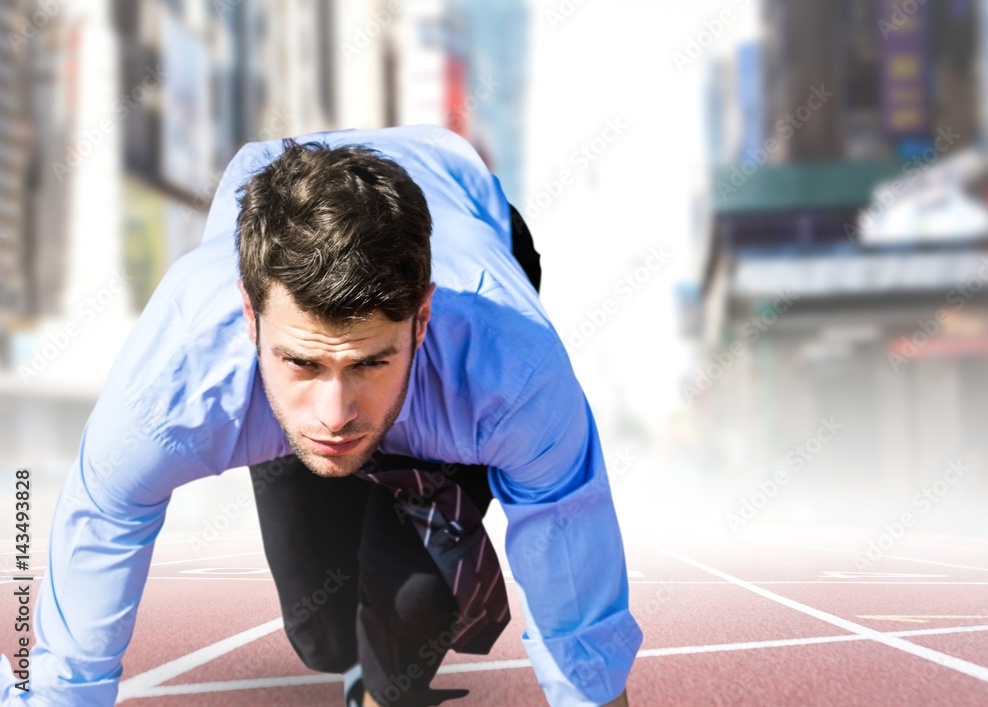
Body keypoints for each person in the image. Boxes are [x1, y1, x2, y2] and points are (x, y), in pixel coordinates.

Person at [0, 125, 641, 706]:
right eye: (304, 364)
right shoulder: (174, 391)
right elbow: (103, 524)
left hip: (468, 212)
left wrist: (594, 692)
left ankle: (383, 671)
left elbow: (568, 536)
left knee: (413, 600)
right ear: (251, 323)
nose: (335, 417)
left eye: (367, 363)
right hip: (292, 310)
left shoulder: (512, 373)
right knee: (322, 636)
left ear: (421, 320)